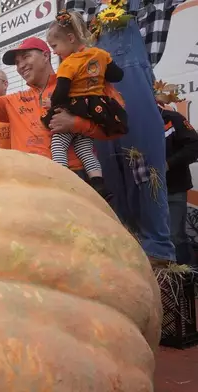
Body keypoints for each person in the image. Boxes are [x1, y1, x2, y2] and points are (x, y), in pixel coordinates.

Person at [67, 0, 176, 263]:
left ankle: (158, 253)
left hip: (133, 84)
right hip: (96, 90)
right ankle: (123, 249)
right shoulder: (81, 7)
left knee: (145, 167)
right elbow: (68, 28)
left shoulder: (149, 6)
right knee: (110, 171)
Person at [0, 36, 117, 177]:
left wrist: (75, 123)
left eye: (26, 57)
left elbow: (114, 130)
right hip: (27, 180)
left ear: (45, 55)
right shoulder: (13, 101)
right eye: (17, 62)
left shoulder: (77, 85)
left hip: (76, 175)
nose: (20, 65)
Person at [42, 10, 128, 201]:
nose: (54, 52)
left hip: (74, 107)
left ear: (70, 38)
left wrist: (51, 103)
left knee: (58, 145)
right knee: (84, 148)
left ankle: (63, 182)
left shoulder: (68, 63)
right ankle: (98, 183)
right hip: (96, 109)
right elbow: (117, 76)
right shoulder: (101, 54)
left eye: (54, 46)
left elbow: (62, 90)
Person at [155, 82, 198, 267]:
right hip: (147, 193)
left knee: (175, 236)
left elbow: (194, 146)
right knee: (153, 237)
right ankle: (166, 285)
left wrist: (168, 164)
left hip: (174, 189)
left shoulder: (173, 119)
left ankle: (186, 278)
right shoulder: (132, 125)